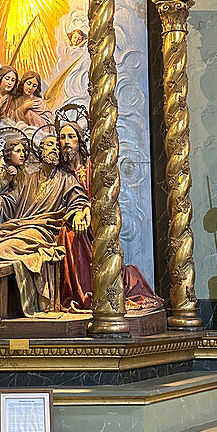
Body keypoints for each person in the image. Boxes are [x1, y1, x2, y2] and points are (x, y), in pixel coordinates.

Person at [0, 132, 88, 315]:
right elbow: (11, 201)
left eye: (56, 146)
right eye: (49, 145)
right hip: (19, 224)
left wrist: (78, 214)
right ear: (40, 152)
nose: (54, 149)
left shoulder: (67, 180)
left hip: (44, 228)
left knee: (20, 241)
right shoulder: (28, 179)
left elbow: (79, 200)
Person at [57, 120, 161, 312]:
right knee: (69, 234)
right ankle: (81, 294)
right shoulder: (58, 174)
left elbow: (104, 194)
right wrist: (74, 214)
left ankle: (95, 290)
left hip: (97, 220)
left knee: (80, 234)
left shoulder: (93, 167)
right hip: (71, 221)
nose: (66, 141)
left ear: (80, 141)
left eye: (71, 136)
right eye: (62, 137)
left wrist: (88, 208)